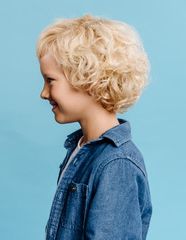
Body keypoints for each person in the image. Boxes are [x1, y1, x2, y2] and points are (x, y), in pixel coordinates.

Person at [36, 14, 152, 239]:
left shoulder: (117, 164)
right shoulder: (79, 149)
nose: (43, 93)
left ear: (87, 79)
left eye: (50, 80)